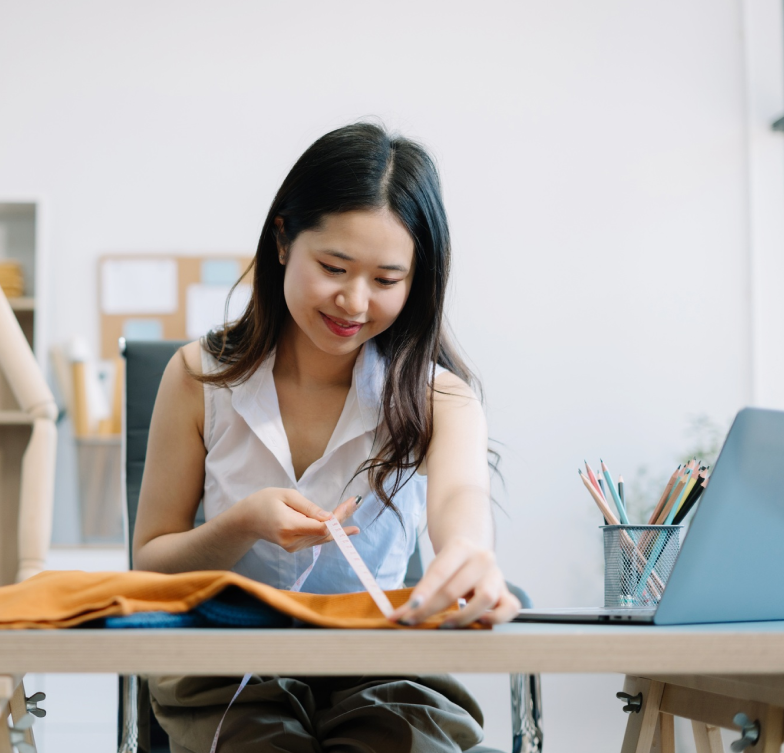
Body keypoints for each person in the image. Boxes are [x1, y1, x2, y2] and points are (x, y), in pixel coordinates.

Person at [131, 123, 520, 752]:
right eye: (334, 267)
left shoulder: (440, 398)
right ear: (283, 239)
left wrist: (469, 553)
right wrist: (242, 524)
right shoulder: (197, 377)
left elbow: (460, 501)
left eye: (386, 280)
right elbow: (150, 567)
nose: (354, 302)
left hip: (379, 663)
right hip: (226, 664)